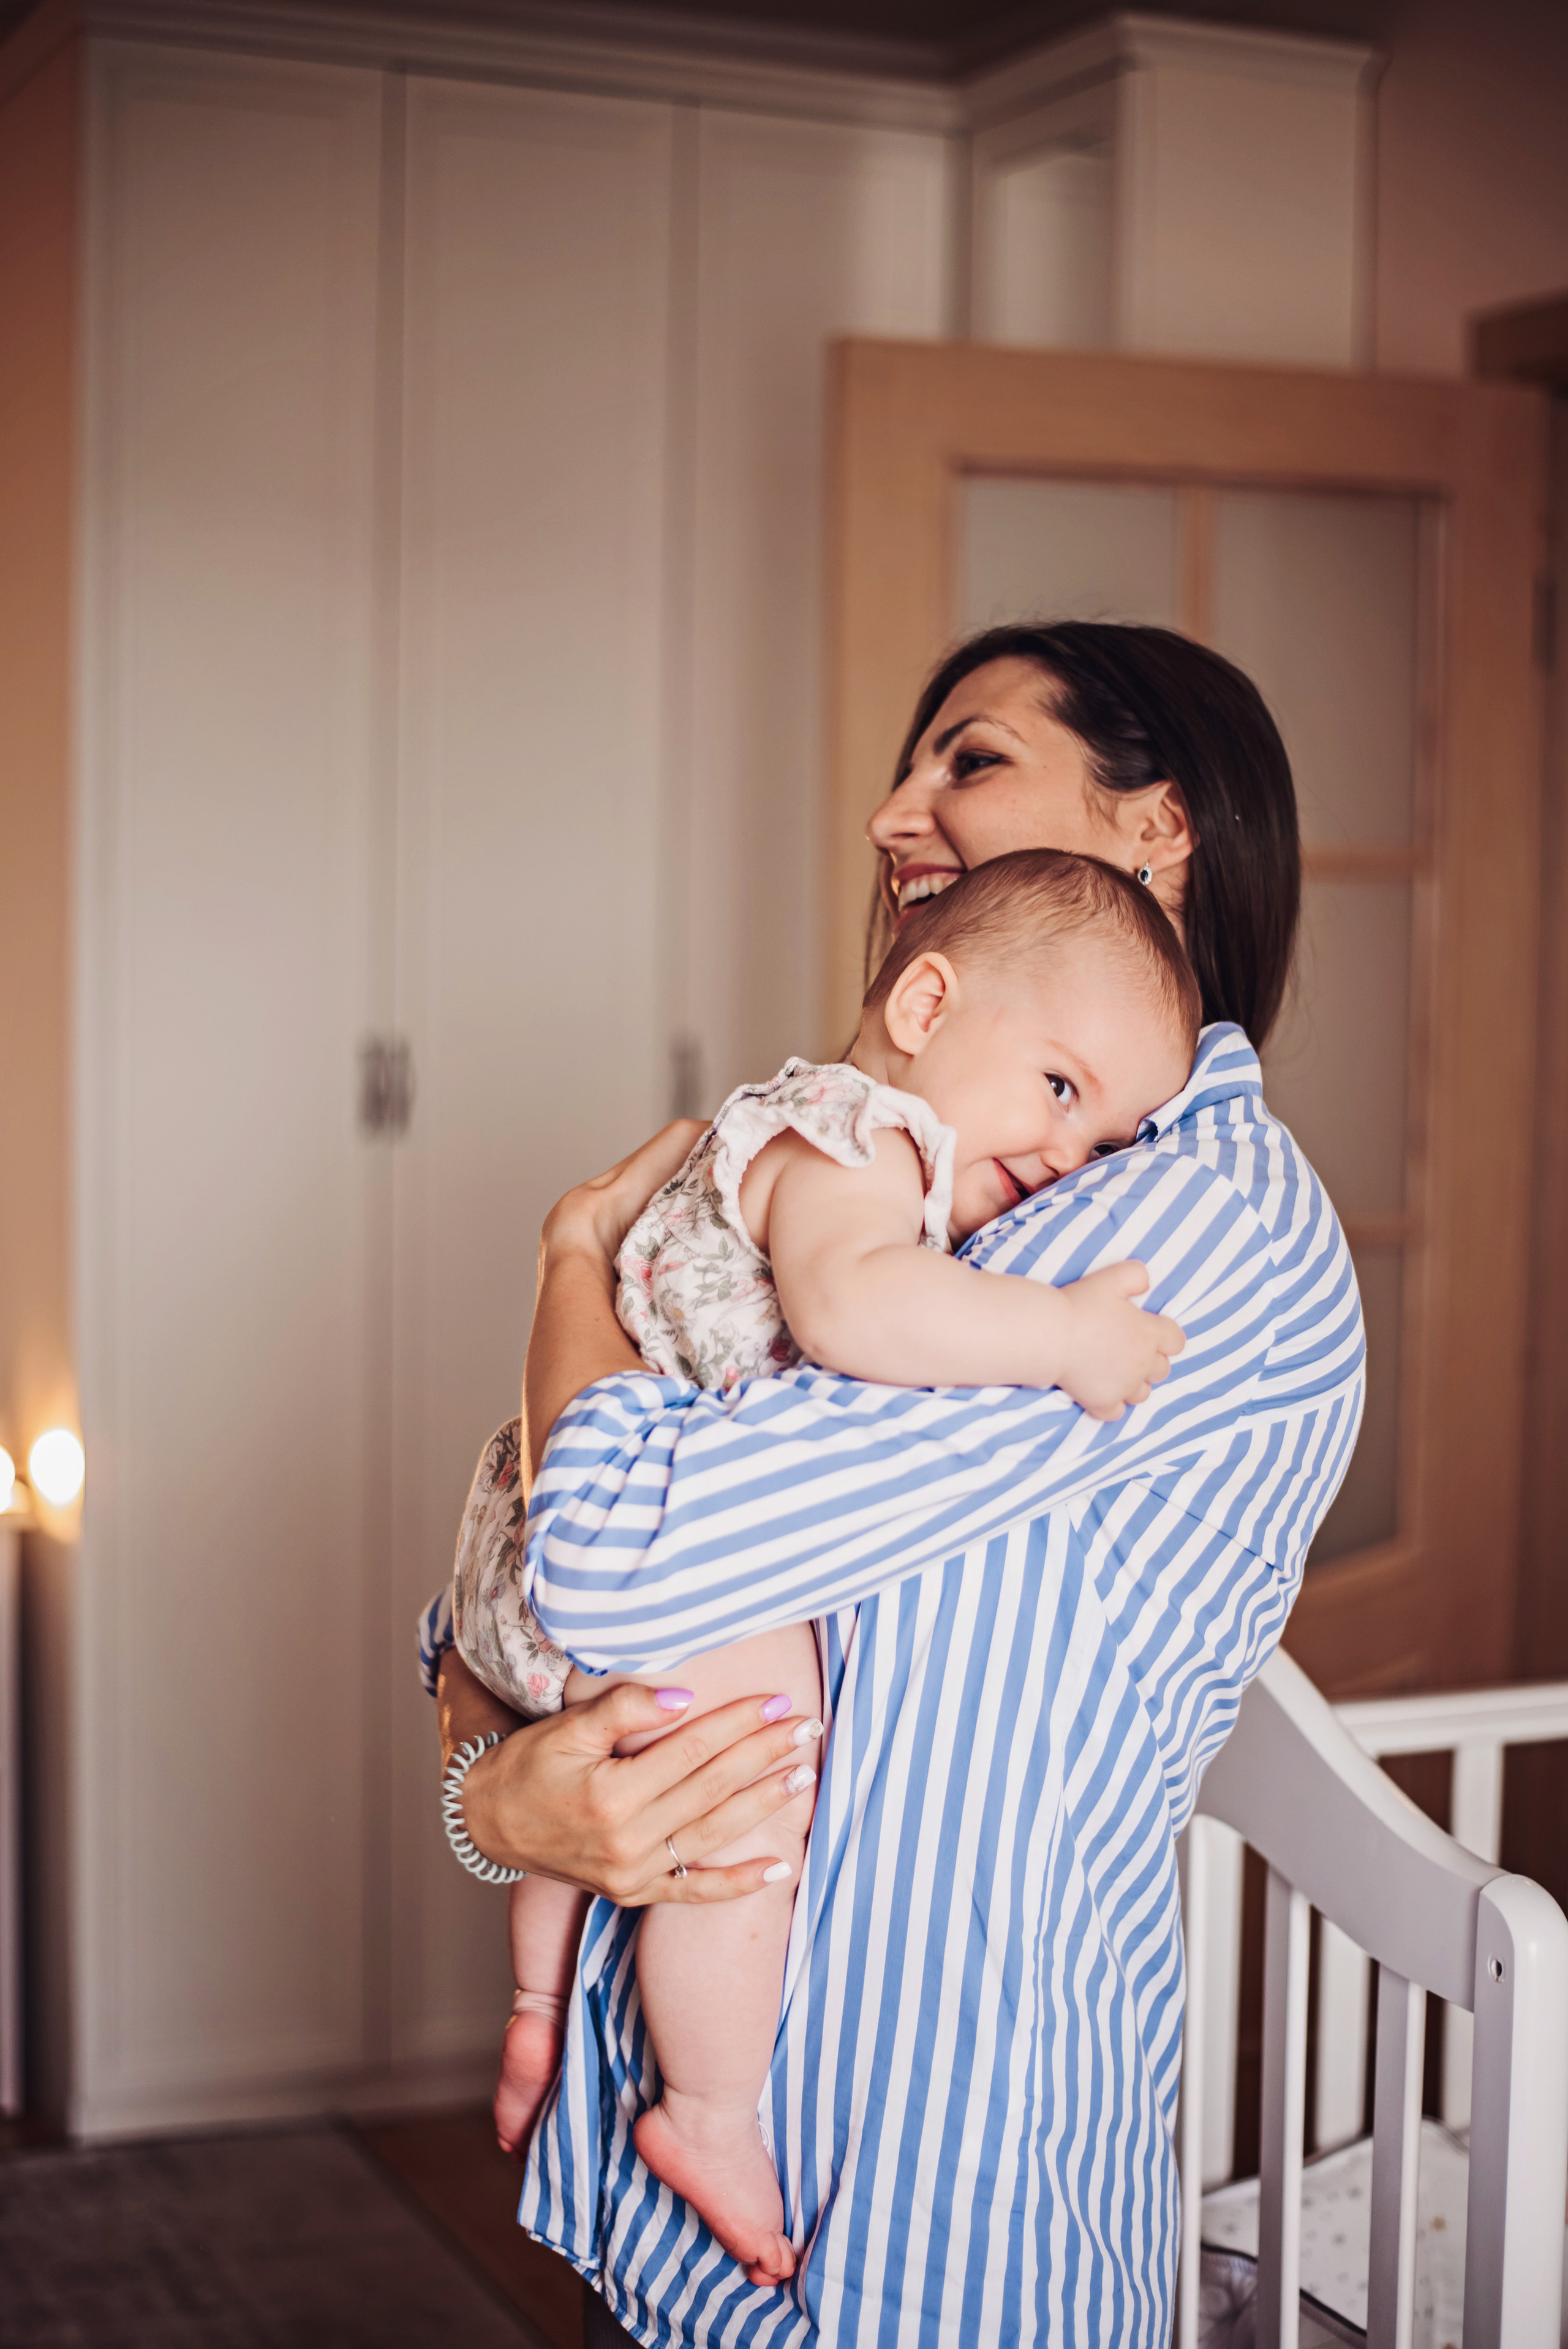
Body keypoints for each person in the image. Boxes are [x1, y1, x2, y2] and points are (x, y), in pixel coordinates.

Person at [429, 622, 1363, 2346]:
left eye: (972, 757)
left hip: (922, 2225)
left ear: (1154, 834)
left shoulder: (1176, 1226)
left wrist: (569, 1263)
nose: (891, 810)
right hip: (701, 2211)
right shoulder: (921, 1167)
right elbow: (496, 1621)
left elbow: (619, 1554)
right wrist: (501, 1804)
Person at [460, 852, 1196, 2283]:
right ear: (925, 1002)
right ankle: (710, 2111)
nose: (1068, 1159)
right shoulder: (866, 1142)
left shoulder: (788, 1127)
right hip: (633, 1542)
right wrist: (1059, 1336)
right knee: (750, 1795)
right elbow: (859, 1309)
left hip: (521, 1518)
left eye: (1107, 1141)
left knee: (602, 1774)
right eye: (1058, 1090)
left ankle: (537, 2004)